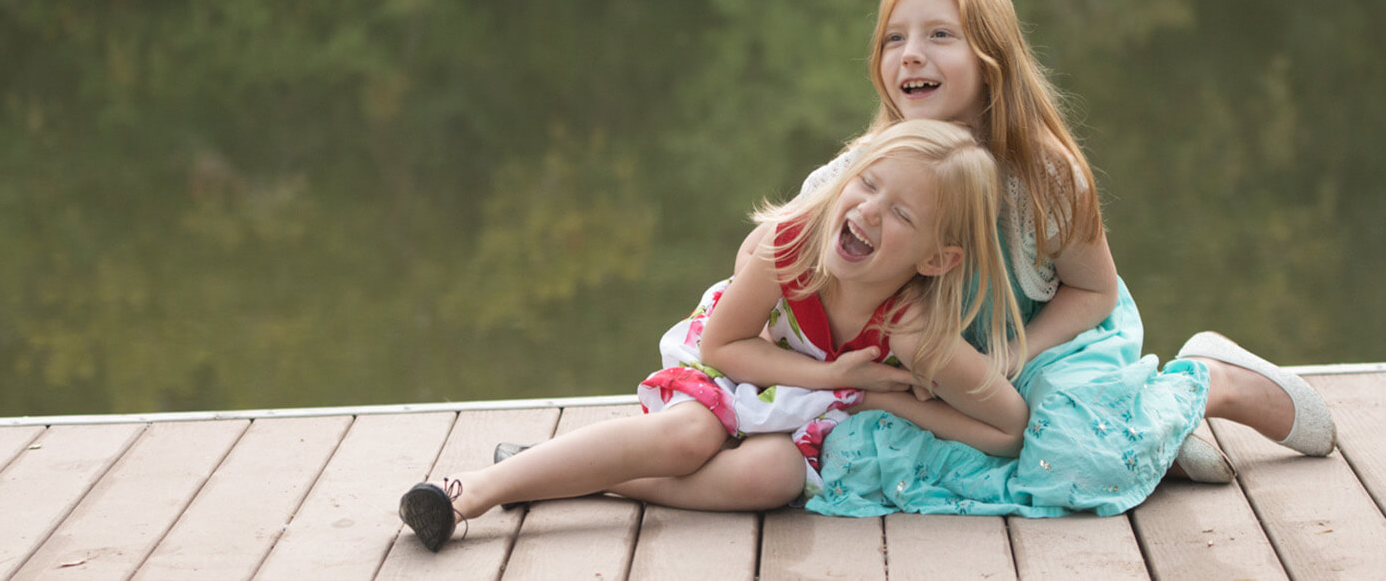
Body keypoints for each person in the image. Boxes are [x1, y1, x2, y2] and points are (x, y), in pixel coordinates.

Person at [749, 0, 1337, 518]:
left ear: (992, 59)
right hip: (941, 370)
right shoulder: (862, 171)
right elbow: (770, 254)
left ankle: (1212, 384)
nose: (910, 55)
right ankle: (1138, 438)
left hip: (1047, 344)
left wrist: (1013, 355)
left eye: (939, 36)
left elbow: (1095, 293)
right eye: (894, 39)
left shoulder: (1044, 177)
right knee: (852, 454)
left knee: (1072, 457)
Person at [399, 119, 1032, 552]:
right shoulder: (792, 246)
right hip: (737, 361)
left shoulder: (913, 330)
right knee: (687, 437)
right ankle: (474, 491)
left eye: (901, 214)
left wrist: (878, 397)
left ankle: (579, 472)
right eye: (868, 184)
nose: (868, 210)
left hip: (816, 408)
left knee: (771, 481)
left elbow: (1007, 429)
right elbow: (722, 348)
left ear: (936, 260)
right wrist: (834, 376)